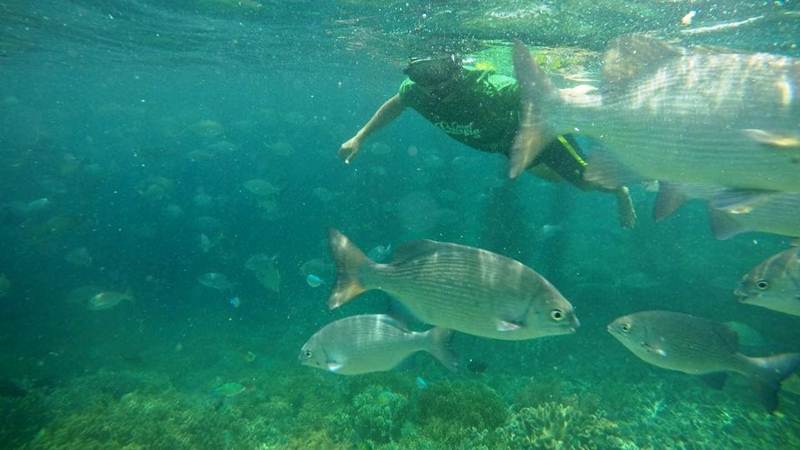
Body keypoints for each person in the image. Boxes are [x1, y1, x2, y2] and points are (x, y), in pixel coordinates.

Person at [338, 55, 637, 228]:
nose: (433, 93)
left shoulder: (492, 88)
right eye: (425, 84)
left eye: (441, 86)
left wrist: (590, 103)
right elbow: (398, 102)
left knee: (584, 183)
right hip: (507, 147)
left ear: (456, 75)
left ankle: (620, 190)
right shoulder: (416, 90)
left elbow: (547, 97)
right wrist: (359, 137)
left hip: (539, 137)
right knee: (553, 178)